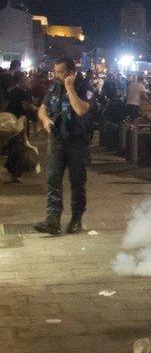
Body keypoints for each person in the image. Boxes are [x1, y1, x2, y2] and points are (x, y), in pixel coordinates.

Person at [34, 58, 94, 235]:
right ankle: (52, 219)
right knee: (53, 179)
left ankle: (76, 219)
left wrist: (69, 87)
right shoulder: (54, 87)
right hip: (57, 139)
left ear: (71, 73)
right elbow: (43, 108)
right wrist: (45, 120)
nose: (56, 75)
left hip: (77, 141)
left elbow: (81, 110)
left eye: (60, 72)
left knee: (77, 181)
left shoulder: (84, 88)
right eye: (55, 71)